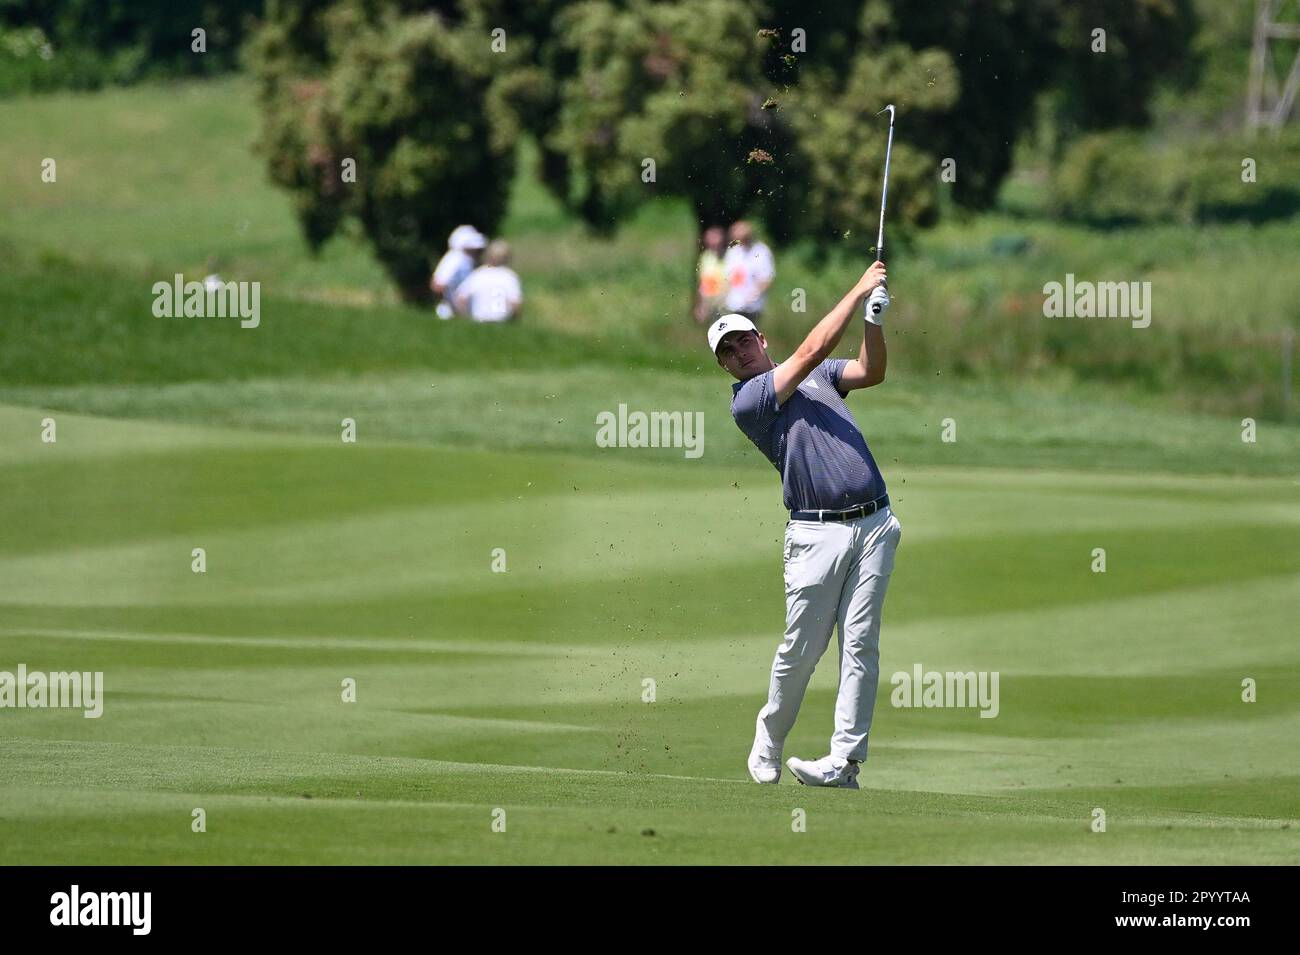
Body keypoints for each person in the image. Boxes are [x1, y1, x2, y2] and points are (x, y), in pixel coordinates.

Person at [707, 260, 900, 790]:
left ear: (761, 338)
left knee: (861, 644)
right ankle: (767, 743)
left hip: (876, 523)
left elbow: (869, 371)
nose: (738, 353)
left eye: (743, 341)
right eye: (727, 352)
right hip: (817, 533)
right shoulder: (750, 400)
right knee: (802, 648)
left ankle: (844, 763)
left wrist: (874, 320)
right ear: (724, 367)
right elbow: (812, 349)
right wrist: (857, 287)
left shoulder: (816, 375)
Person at [453, 240, 522, 322]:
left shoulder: (477, 274)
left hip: (479, 321)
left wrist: (466, 318)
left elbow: (460, 300)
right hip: (501, 321)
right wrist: (514, 320)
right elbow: (515, 303)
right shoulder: (509, 276)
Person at [722, 220, 775, 324]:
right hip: (733, 304)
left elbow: (766, 278)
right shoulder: (733, 251)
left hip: (752, 307)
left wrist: (754, 294)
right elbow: (727, 277)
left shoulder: (761, 251)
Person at [431, 225, 487, 319]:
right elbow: (438, 285)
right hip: (451, 312)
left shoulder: (465, 260)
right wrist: (452, 304)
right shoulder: (455, 258)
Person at [693, 226, 728, 324]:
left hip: (727, 305)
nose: (713, 241)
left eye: (716, 237)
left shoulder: (730, 256)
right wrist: (700, 305)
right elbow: (702, 284)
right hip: (711, 305)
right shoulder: (705, 257)